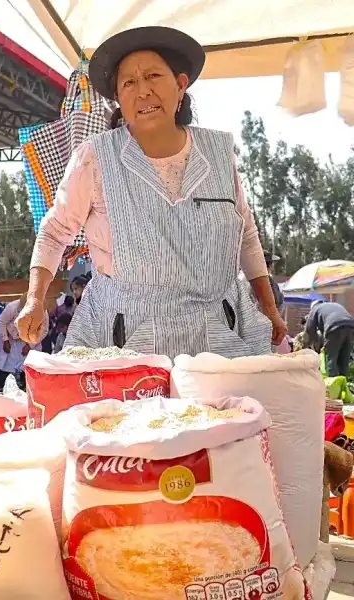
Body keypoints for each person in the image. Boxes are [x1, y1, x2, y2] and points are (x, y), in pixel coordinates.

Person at [16, 26, 285, 357]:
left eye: (153, 76)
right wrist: (35, 300)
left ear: (180, 84)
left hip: (218, 342)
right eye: (129, 82)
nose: (142, 91)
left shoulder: (218, 153)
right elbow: (55, 232)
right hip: (126, 343)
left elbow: (245, 234)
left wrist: (269, 307)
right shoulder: (95, 158)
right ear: (118, 98)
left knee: (227, 410)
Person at [0, 294, 47, 389]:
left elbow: (44, 330)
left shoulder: (42, 313)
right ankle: (2, 390)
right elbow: (1, 322)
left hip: (30, 339)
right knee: (5, 368)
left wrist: (30, 345)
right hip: (10, 339)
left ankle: (26, 392)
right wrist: (5, 340)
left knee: (28, 370)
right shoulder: (12, 307)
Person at [305, 300, 354, 377]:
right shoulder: (334, 305)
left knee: (331, 358)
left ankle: (332, 383)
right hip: (351, 326)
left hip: (334, 328)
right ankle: (343, 383)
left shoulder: (315, 309)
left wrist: (307, 345)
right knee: (344, 359)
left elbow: (309, 330)